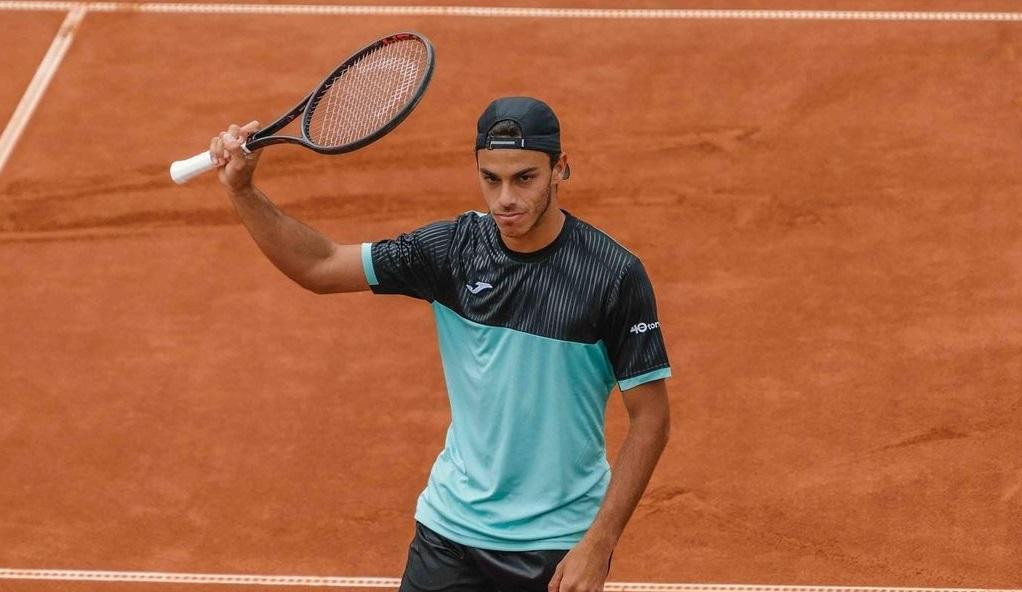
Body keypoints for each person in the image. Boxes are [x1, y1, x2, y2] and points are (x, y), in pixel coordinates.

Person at [209, 96, 672, 592]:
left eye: (525, 178)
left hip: (556, 544)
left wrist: (598, 545)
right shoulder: (453, 252)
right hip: (450, 532)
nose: (505, 200)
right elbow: (320, 266)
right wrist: (242, 190)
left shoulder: (612, 274)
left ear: (560, 168)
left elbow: (651, 419)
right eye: (490, 178)